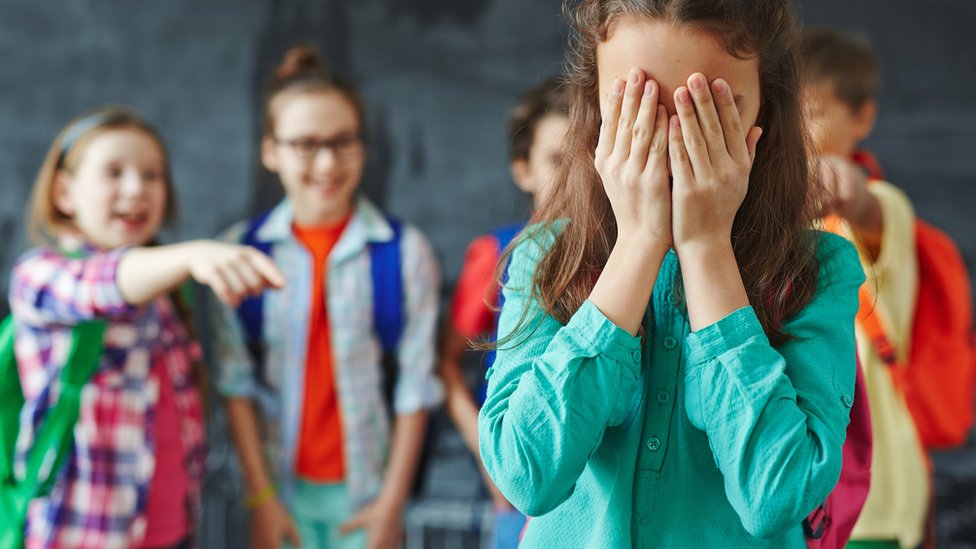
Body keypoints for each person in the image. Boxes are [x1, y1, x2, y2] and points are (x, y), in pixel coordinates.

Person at [476, 0, 866, 546]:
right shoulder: (547, 255)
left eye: (709, 111)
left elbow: (777, 493)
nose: (671, 140)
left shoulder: (818, 269)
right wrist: (638, 244)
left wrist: (707, 247)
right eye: (639, 107)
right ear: (595, 111)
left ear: (765, 113)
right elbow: (525, 476)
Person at [10, 107, 285, 548]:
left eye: (152, 175)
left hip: (169, 531)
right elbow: (102, 284)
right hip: (82, 533)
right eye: (113, 173)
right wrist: (192, 255)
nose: (136, 189)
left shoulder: (165, 296)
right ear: (64, 192)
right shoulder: (41, 275)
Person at [213, 45, 443, 549]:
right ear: (270, 150)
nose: (327, 162)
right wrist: (262, 499)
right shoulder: (239, 254)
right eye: (305, 144)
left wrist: (390, 506)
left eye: (343, 142)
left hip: (368, 495)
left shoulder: (404, 254)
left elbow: (415, 387)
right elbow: (236, 384)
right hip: (280, 493)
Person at [799, 28, 929, 549]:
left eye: (809, 111)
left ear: (863, 118)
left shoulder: (884, 205)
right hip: (796, 485)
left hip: (870, 498)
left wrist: (841, 183)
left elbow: (861, 204)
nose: (793, 127)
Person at [439, 78, 569, 548]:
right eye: (558, 161)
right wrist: (486, 452)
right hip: (515, 483)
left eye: (589, 158)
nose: (578, 176)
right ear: (523, 169)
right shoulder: (499, 253)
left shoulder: (628, 255)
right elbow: (446, 360)